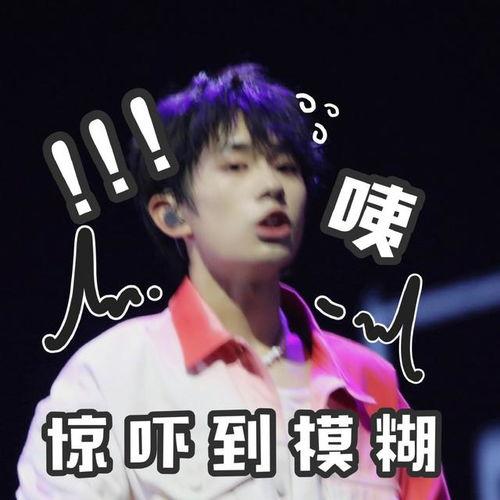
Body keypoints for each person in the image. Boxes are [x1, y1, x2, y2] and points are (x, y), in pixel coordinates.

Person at [17, 63, 450, 499]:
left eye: (286, 166)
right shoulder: (109, 379)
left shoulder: (370, 382)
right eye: (237, 166)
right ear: (173, 214)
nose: (272, 186)